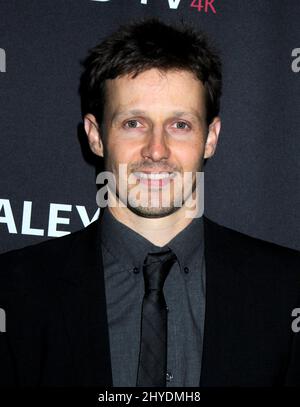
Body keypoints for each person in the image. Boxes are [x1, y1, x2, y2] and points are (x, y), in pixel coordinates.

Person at [0, 17, 299, 387]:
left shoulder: (287, 292)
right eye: (133, 123)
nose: (156, 150)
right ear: (95, 136)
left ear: (211, 137)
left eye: (180, 125)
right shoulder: (14, 294)